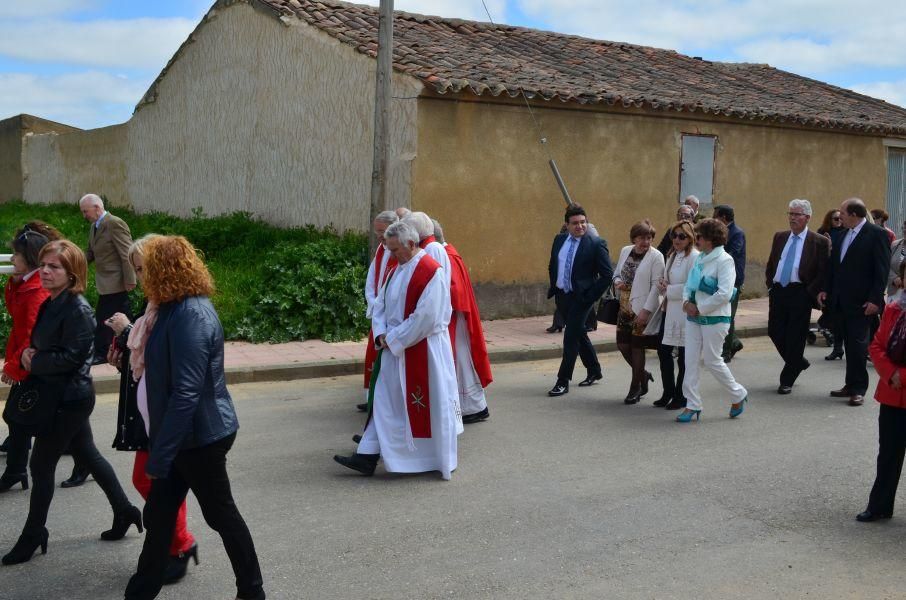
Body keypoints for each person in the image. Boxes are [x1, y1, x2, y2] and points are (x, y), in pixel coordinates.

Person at [124, 235, 264, 600]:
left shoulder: (191, 314)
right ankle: (140, 591)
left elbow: (186, 393)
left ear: (163, 270)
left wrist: (161, 454)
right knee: (158, 518)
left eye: (144, 269)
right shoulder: (169, 307)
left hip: (199, 437)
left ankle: (252, 592)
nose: (139, 278)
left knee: (221, 516)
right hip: (180, 437)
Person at [2, 240, 142, 566]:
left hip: (69, 399)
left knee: (40, 465)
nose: (46, 271)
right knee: (88, 454)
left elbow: (74, 358)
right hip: (57, 394)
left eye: (55, 267)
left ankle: (34, 533)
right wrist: (27, 355)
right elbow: (44, 345)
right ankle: (125, 511)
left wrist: (33, 361)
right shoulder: (52, 302)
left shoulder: (78, 310)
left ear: (72, 273)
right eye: (45, 265)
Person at [334, 221, 462, 479]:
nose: (390, 255)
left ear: (411, 244)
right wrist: (380, 333)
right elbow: (380, 304)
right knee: (384, 402)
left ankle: (423, 458)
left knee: (407, 405)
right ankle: (367, 454)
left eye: (394, 250)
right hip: (394, 348)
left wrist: (392, 338)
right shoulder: (397, 269)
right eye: (389, 249)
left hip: (422, 351)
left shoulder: (430, 272)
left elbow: (425, 318)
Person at [105, 234, 199, 585]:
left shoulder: (180, 308)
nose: (140, 278)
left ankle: (179, 545)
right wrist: (122, 356)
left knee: (158, 482)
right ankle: (176, 545)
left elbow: (166, 360)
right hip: (151, 413)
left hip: (167, 416)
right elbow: (144, 356)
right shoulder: (154, 304)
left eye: (144, 269)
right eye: (138, 270)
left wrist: (127, 331)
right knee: (154, 481)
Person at [818, 198, 891, 407]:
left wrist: (875, 300)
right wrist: (825, 289)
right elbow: (833, 268)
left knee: (858, 346)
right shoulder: (840, 235)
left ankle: (859, 389)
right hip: (840, 301)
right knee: (849, 344)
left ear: (854, 215)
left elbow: (881, 271)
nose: (839, 216)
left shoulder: (877, 235)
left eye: (842, 212)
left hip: (862, 303)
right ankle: (849, 385)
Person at [676, 219, 748, 423]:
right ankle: (692, 404)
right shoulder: (700, 258)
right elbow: (688, 285)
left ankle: (737, 393)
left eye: (699, 236)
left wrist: (701, 308)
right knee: (689, 361)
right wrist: (685, 302)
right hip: (693, 317)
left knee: (712, 360)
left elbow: (725, 293)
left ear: (711, 239)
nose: (695, 239)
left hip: (715, 318)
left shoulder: (725, 260)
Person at [0, 225, 52, 492]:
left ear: (29, 258)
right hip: (29, 363)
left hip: (37, 367)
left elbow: (31, 337)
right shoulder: (27, 285)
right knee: (15, 418)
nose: (12, 260)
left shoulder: (36, 290)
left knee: (17, 418)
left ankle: (17, 471)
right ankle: (17, 470)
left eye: (15, 255)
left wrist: (13, 366)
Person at [546, 204, 613, 397]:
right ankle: (594, 369)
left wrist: (590, 296)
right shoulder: (559, 240)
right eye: (575, 223)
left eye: (583, 222)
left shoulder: (596, 243)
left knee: (570, 338)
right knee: (578, 334)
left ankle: (562, 380)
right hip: (562, 296)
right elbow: (553, 264)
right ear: (567, 225)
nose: (580, 226)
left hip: (581, 299)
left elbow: (607, 275)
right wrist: (555, 285)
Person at [764, 199, 829, 394]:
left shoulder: (819, 241)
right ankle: (798, 362)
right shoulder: (780, 237)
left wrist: (810, 292)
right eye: (790, 214)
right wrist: (770, 285)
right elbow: (772, 263)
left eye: (797, 214)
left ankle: (787, 379)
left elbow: (823, 271)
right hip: (778, 291)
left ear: (807, 217)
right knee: (775, 331)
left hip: (800, 292)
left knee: (796, 335)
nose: (792, 218)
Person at [858, 262, 906, 522]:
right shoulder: (894, 308)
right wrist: (891, 373)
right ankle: (879, 505)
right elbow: (876, 345)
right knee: (888, 452)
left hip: (900, 383)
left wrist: (902, 375)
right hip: (892, 393)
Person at [434, 220, 493, 423]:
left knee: (461, 364)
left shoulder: (447, 256)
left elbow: (455, 291)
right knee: (460, 364)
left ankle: (475, 407)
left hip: (455, 320)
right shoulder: (447, 252)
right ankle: (469, 407)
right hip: (455, 319)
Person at [612, 221, 665, 404]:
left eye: (649, 238)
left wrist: (646, 311)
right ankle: (643, 374)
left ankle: (636, 387)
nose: (646, 241)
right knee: (622, 345)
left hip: (642, 307)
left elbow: (656, 287)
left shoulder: (656, 257)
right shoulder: (626, 250)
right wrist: (618, 281)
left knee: (637, 347)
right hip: (624, 305)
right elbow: (617, 272)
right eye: (642, 238)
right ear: (634, 238)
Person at [80, 193, 136, 365]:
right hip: (105, 282)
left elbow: (127, 253)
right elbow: (90, 253)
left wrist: (130, 279)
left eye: (85, 211)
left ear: (97, 208)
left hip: (116, 281)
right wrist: (73, 263)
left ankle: (103, 352)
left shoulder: (114, 223)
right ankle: (128, 346)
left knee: (105, 317)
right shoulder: (94, 227)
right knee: (117, 315)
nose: (84, 216)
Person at [653, 219, 699, 410]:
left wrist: (669, 289)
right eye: (674, 235)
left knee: (683, 356)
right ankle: (668, 392)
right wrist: (663, 285)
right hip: (670, 310)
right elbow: (667, 279)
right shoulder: (672, 255)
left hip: (684, 311)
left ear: (690, 238)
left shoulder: (694, 257)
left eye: (682, 236)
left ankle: (681, 396)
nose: (677, 239)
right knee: (663, 351)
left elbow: (692, 286)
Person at [357, 210, 399, 413]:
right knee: (373, 356)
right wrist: (373, 302)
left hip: (390, 313)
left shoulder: (397, 250)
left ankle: (381, 401)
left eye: (381, 231)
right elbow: (372, 277)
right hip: (379, 312)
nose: (379, 236)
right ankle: (372, 396)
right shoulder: (382, 249)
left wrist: (382, 305)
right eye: (376, 231)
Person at [712, 205, 746, 362]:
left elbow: (731, 254)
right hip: (718, 278)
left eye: (716, 216)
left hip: (732, 280)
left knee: (728, 316)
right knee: (719, 314)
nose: (713, 219)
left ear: (723, 218)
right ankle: (735, 342)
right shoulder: (719, 232)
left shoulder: (737, 233)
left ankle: (725, 352)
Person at [817, 209, 847, 360]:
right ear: (829, 219)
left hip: (843, 280)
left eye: (841, 218)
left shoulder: (846, 233)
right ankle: (837, 347)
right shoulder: (822, 233)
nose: (839, 221)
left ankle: (841, 347)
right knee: (833, 314)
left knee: (842, 317)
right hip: (829, 278)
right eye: (836, 219)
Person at [886, 220, 906, 297]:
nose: (905, 230)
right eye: (904, 228)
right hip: (894, 293)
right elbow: (886, 265)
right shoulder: (895, 244)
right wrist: (894, 278)